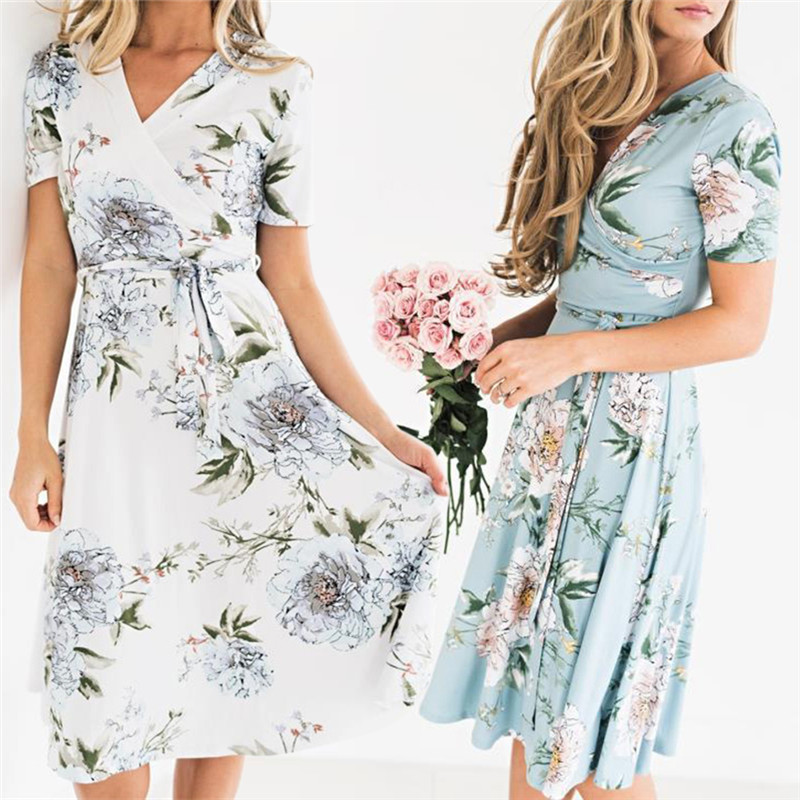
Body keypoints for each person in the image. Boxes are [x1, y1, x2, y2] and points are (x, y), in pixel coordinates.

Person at [10, 1, 446, 796]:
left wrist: (383, 433)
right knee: (106, 657)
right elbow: (48, 262)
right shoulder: (62, 75)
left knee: (224, 628)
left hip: (246, 404)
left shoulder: (276, 83)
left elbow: (292, 281)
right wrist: (30, 434)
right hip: (113, 415)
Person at [419, 2, 780, 798]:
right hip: (551, 434)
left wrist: (572, 354)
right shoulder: (592, 101)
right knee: (534, 701)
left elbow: (741, 325)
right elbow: (593, 288)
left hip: (632, 446)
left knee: (590, 725)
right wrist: (497, 343)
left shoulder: (734, 122)